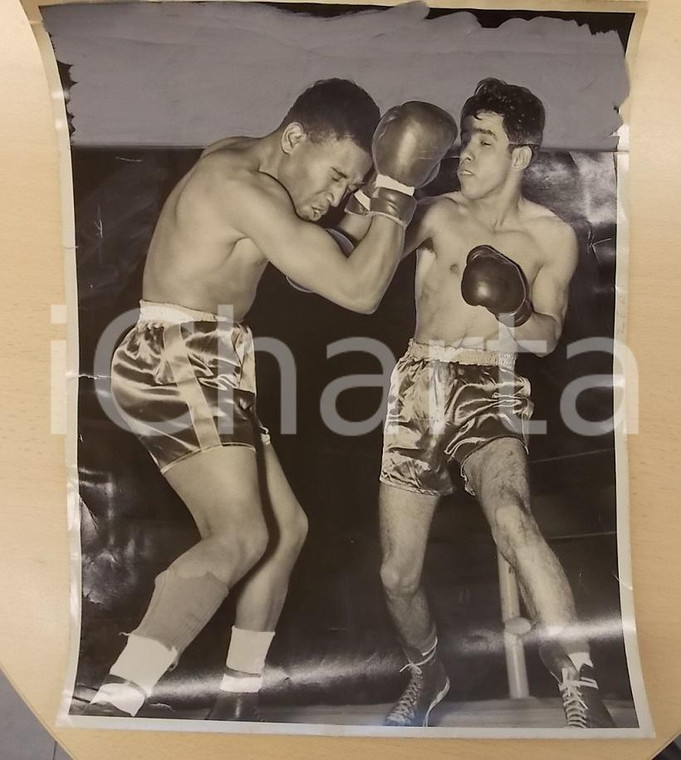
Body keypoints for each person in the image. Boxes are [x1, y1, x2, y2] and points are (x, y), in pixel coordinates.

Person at [84, 78, 456, 721]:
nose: (336, 194)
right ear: (292, 138)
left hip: (207, 357)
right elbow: (356, 290)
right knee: (239, 534)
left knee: (286, 533)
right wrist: (396, 192)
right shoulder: (238, 188)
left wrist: (367, 199)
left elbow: (306, 260)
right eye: (336, 175)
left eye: (349, 184)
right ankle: (119, 698)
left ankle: (237, 698)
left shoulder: (250, 164)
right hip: (180, 355)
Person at [344, 78, 616, 729]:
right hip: (416, 385)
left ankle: (578, 681)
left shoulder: (551, 237)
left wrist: (514, 306)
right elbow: (361, 253)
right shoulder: (435, 213)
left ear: (520, 155)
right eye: (465, 137)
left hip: (489, 384)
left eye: (483, 141)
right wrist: (383, 184)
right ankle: (427, 671)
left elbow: (547, 334)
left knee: (513, 518)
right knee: (395, 576)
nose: (465, 153)